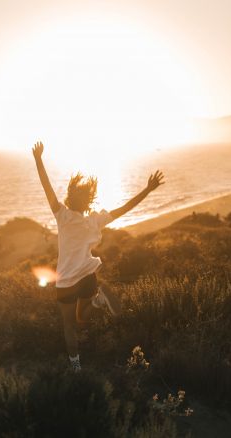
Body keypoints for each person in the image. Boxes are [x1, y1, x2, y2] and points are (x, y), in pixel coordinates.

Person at [32, 141, 165, 371]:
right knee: (83, 317)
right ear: (89, 200)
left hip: (65, 281)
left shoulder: (62, 216)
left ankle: (76, 368)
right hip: (87, 276)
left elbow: (47, 187)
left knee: (69, 325)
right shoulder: (95, 220)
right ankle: (97, 300)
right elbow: (125, 208)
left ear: (69, 198)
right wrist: (147, 189)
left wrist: (38, 159)